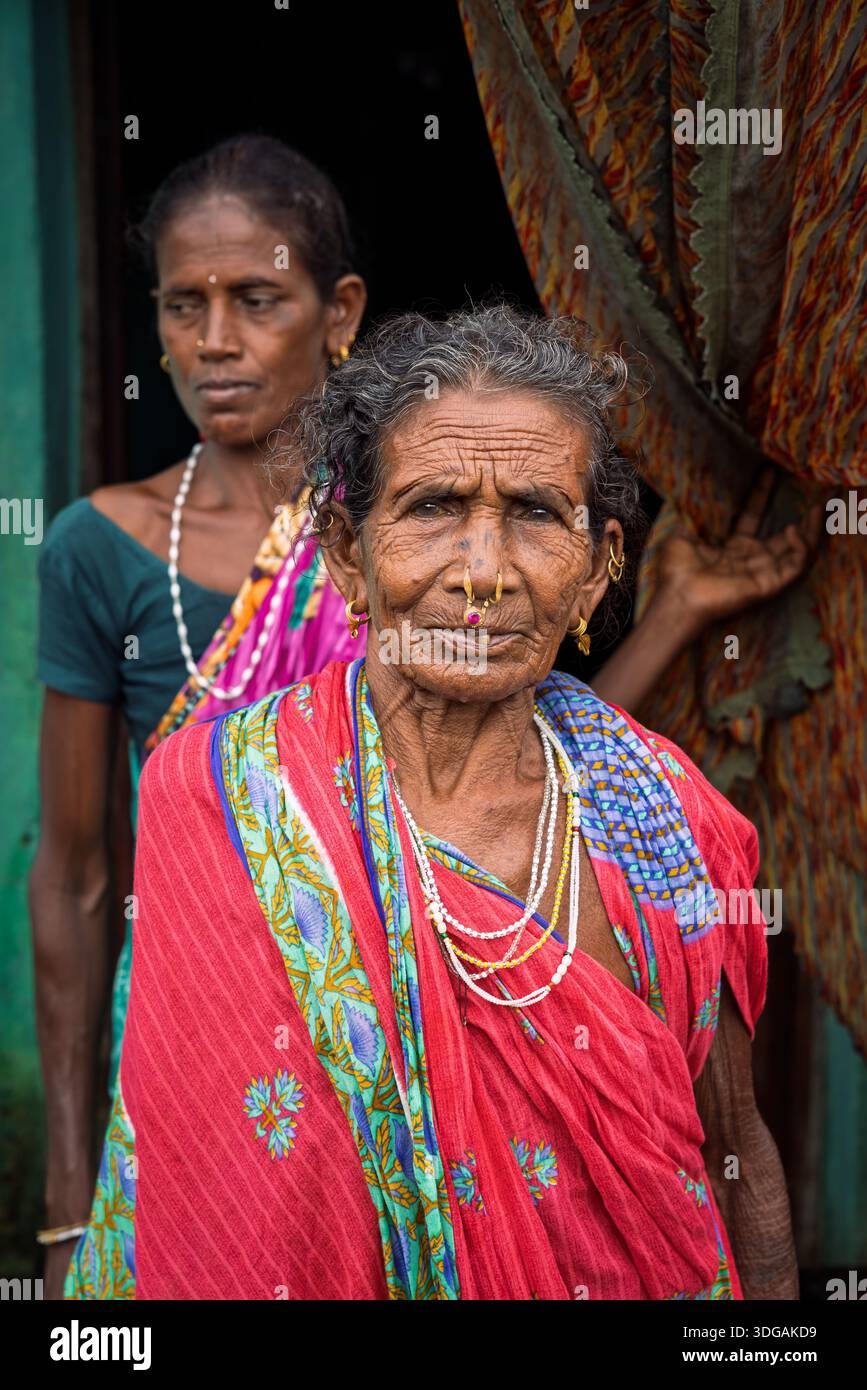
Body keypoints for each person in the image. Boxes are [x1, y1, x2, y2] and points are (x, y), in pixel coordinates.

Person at [80, 306, 798, 1300]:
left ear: (598, 573)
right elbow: (195, 1190)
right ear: (344, 553)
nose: (483, 573)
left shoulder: (665, 819)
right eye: (431, 508)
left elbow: (735, 1145)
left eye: (539, 514)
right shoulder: (218, 798)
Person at [30, 133, 365, 1298]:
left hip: (396, 1059)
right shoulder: (98, 547)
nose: (214, 341)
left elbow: (521, 786)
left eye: (256, 299)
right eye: (184, 305)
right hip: (186, 1054)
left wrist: (673, 615)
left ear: (340, 313)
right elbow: (73, 876)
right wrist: (70, 1199)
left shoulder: (411, 536)